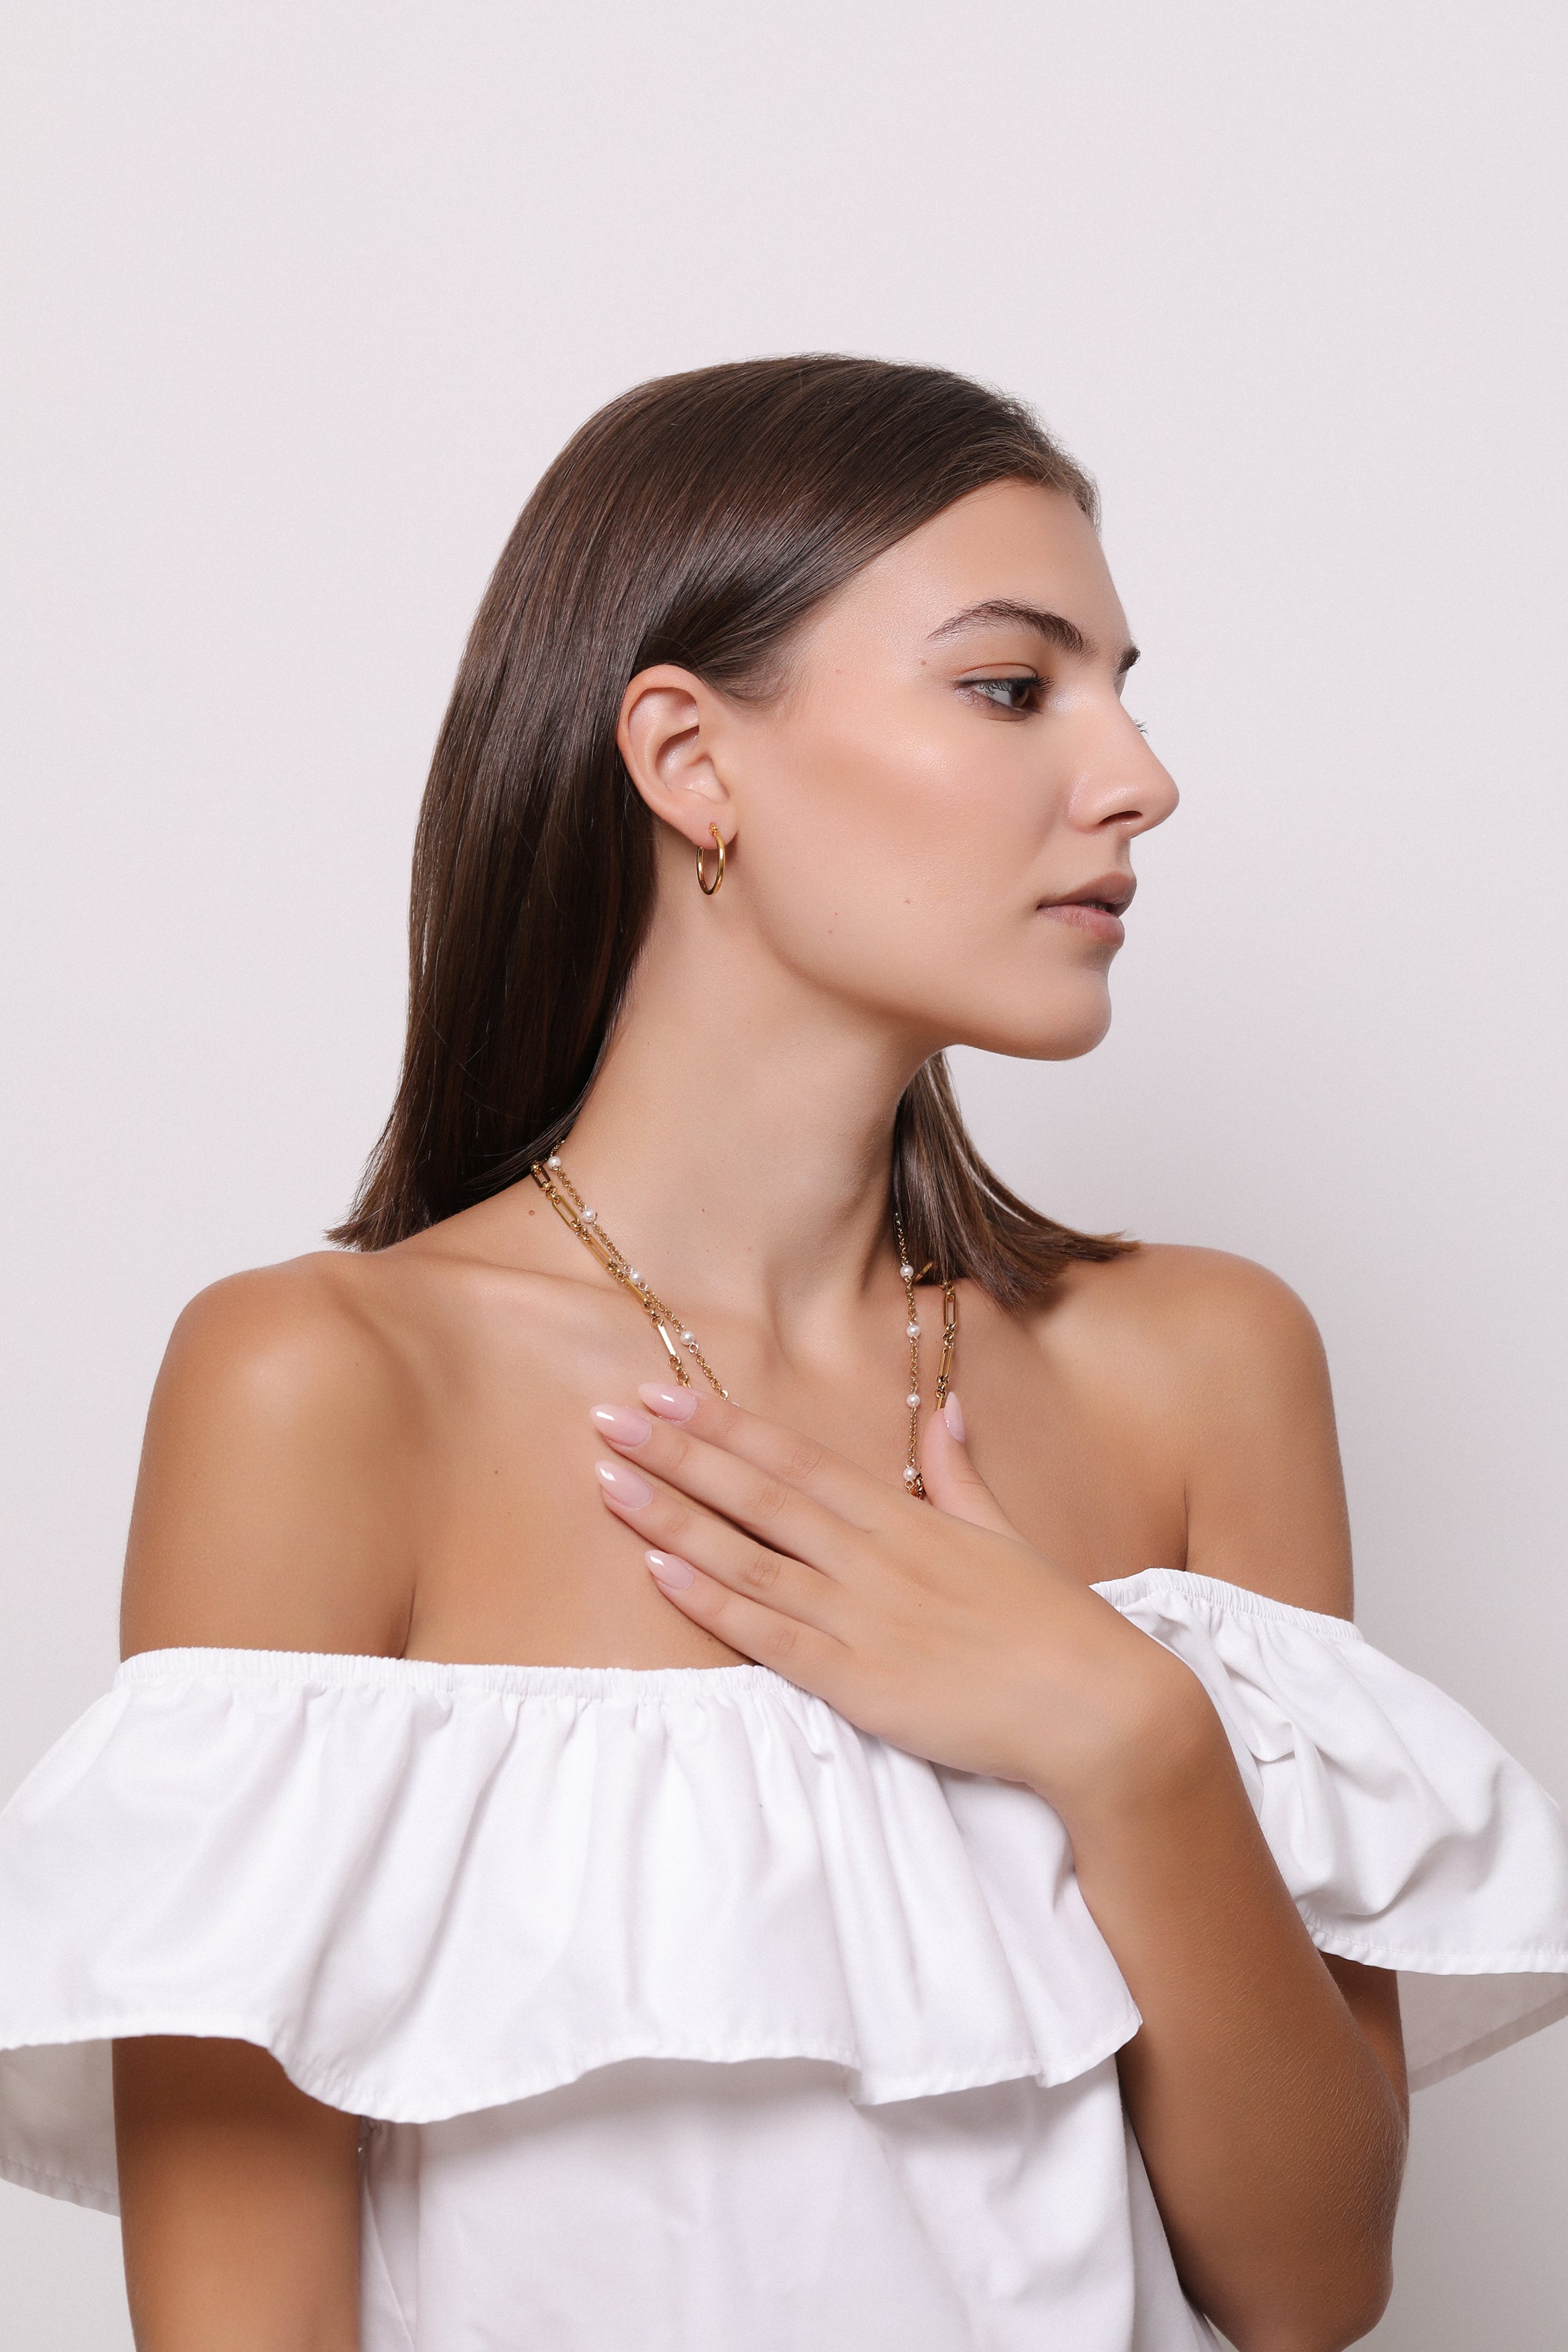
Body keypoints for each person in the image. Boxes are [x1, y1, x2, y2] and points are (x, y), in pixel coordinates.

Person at [1, 357, 1564, 2352]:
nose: (1139, 777)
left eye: (1121, 686)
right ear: (690, 757)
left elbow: (1309, 2286)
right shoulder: (323, 1385)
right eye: (1012, 686)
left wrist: (1127, 1734)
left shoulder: (1201, 1364)